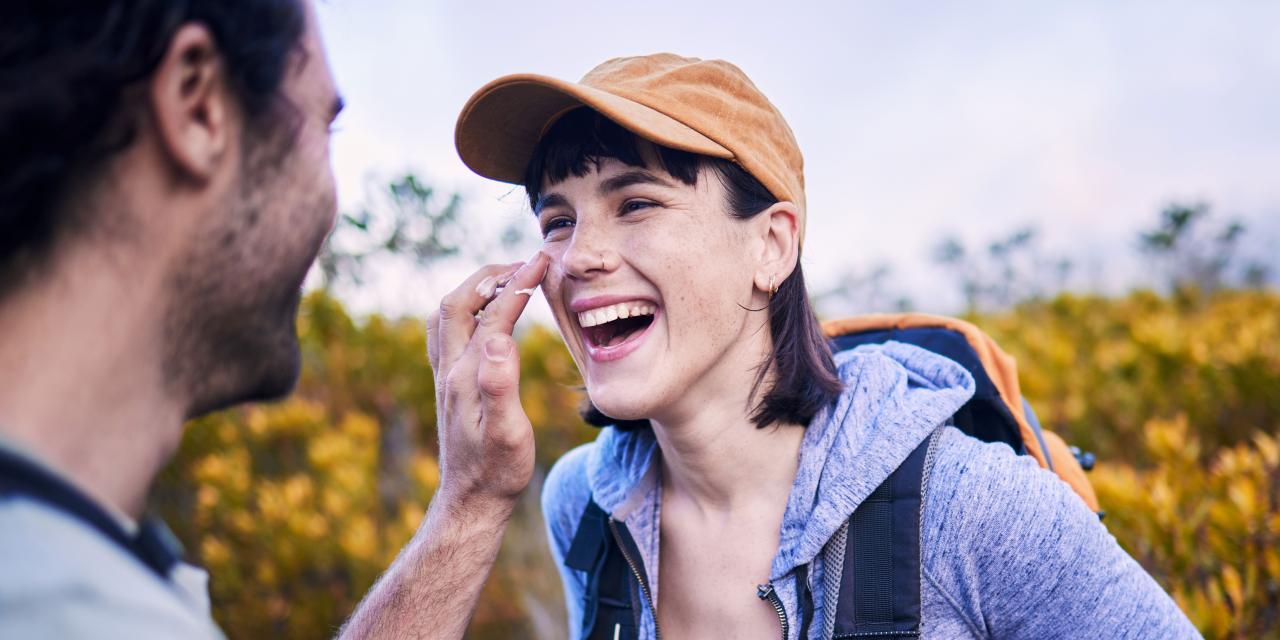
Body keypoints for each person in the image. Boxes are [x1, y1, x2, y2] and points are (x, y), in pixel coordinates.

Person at [452, 53, 1202, 638]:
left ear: (772, 246)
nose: (580, 257)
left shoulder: (971, 509)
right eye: (557, 221)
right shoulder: (586, 504)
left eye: (637, 203)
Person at [0, 2, 545, 638]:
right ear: (197, 102)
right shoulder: (69, 611)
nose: (331, 208)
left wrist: (472, 497)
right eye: (324, 129)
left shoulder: (66, 559)